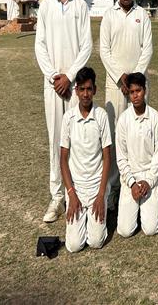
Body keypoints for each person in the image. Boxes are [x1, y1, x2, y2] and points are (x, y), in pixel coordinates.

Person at [35, 0, 93, 222]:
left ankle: (76, 192)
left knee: (77, 139)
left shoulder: (80, 6)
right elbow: (40, 46)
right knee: (56, 141)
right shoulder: (46, 7)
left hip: (74, 86)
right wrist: (53, 76)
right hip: (53, 86)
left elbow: (86, 46)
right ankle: (57, 196)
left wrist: (69, 77)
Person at [100, 0, 153, 209]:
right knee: (114, 136)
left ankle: (142, 180)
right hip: (115, 86)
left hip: (137, 86)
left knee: (139, 133)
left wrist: (133, 79)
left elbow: (147, 49)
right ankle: (114, 187)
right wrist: (120, 76)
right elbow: (104, 50)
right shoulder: (109, 15)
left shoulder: (142, 15)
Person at [60, 67, 111, 252]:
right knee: (74, 246)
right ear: (76, 91)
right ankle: (80, 215)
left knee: (96, 242)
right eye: (81, 89)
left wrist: (101, 194)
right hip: (77, 188)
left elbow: (107, 157)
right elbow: (63, 159)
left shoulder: (101, 116)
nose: (85, 94)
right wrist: (71, 194)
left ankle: (96, 215)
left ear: (95, 90)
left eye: (89, 89)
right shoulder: (68, 118)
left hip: (97, 186)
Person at [116, 72, 158, 238]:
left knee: (151, 229)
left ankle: (146, 207)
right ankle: (133, 208)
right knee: (125, 231)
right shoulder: (123, 120)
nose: (135, 95)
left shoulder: (155, 117)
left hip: (149, 176)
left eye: (138, 90)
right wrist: (132, 183)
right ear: (128, 94)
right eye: (132, 92)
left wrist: (149, 181)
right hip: (130, 177)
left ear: (145, 90)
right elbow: (121, 158)